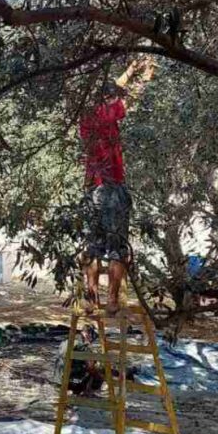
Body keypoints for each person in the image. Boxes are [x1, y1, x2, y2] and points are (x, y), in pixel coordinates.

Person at [79, 80, 132, 315]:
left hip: (93, 188)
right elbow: (125, 104)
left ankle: (91, 299)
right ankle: (111, 300)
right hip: (112, 186)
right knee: (117, 248)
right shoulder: (108, 111)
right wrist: (132, 73)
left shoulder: (85, 117)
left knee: (92, 247)